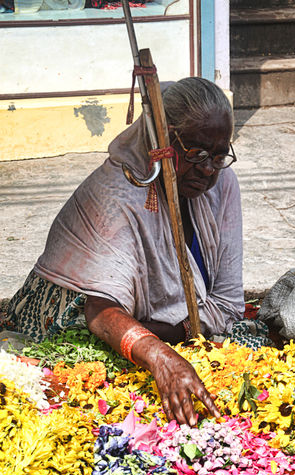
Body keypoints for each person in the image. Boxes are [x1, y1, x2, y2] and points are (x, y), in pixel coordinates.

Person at [3, 77, 252, 426]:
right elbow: (101, 313)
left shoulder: (222, 184)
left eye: (219, 154)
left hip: (160, 328)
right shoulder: (117, 195)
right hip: (75, 318)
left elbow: (227, 303)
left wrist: (174, 335)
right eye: (195, 152)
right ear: (160, 139)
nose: (208, 168)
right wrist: (160, 355)